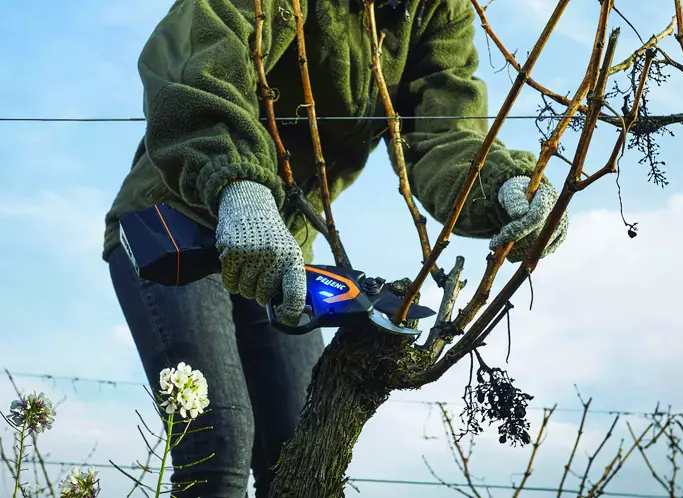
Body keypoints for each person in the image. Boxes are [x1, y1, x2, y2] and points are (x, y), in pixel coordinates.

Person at [102, 0, 568, 496]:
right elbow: (197, 62)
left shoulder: (437, 10)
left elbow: (444, 133)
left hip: (284, 252)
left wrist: (504, 186)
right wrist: (237, 183)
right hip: (174, 224)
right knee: (219, 448)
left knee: (297, 456)